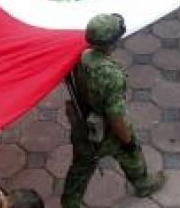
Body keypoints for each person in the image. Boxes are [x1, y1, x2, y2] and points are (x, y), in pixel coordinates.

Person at [61, 13, 165, 208]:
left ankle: (70, 202)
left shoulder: (80, 57)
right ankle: (143, 184)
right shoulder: (111, 75)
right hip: (106, 130)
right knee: (131, 153)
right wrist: (127, 140)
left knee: (80, 167)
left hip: (83, 126)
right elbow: (116, 117)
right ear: (111, 42)